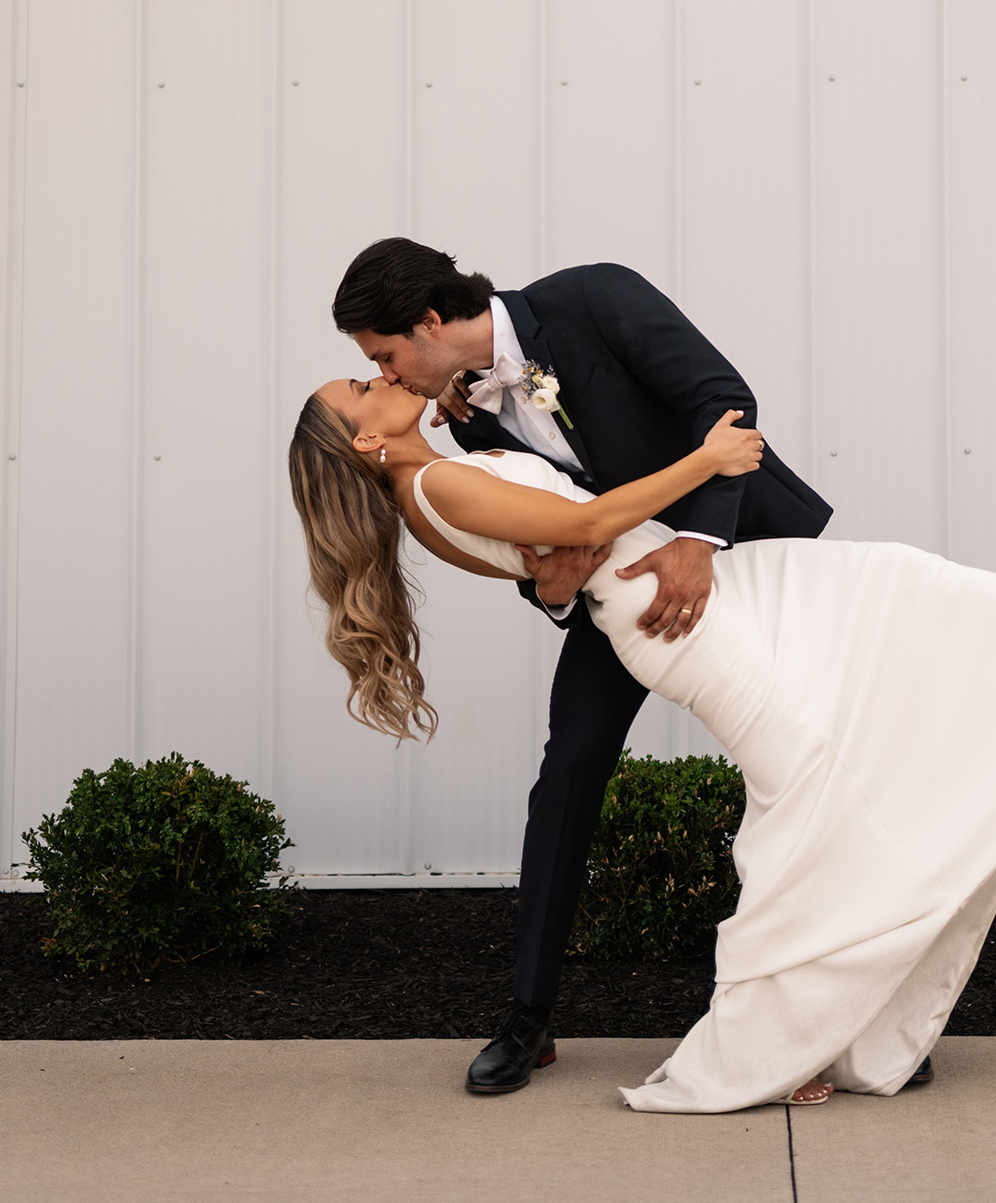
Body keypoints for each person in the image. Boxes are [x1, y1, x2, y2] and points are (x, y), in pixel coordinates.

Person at [288, 317, 996, 1113]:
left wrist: (555, 518)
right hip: (674, 613)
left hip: (714, 580)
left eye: (376, 359)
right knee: (807, 790)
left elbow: (559, 537)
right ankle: (768, 1048)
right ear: (365, 444)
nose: (379, 377)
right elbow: (579, 527)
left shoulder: (443, 466)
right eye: (359, 387)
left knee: (891, 583)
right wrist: (707, 460)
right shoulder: (432, 487)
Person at [321, 239, 832, 1095]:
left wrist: (701, 543)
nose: (387, 374)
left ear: (429, 321)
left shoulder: (596, 296)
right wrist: (551, 589)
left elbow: (723, 402)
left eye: (384, 355)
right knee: (567, 775)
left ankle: (833, 1014)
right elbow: (525, 535)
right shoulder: (461, 413)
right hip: (619, 600)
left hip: (752, 553)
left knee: (801, 771)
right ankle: (529, 1017)